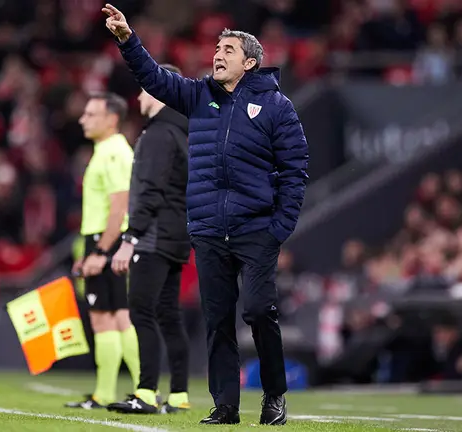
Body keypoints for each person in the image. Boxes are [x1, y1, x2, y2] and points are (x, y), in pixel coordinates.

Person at [102, 4, 309, 426]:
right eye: (217, 48)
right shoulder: (199, 96)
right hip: (210, 229)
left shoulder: (276, 106)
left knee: (258, 310)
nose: (218, 54)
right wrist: (128, 40)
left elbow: (295, 170)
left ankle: (274, 394)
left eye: (228, 50)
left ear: (249, 63)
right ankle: (226, 405)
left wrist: (279, 227)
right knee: (218, 320)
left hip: (256, 229)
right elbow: (154, 78)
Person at [106, 64, 192, 415]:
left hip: (153, 237)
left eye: (145, 88)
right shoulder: (181, 132)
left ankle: (145, 392)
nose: (140, 95)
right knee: (168, 314)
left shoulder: (158, 134)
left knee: (142, 311)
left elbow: (150, 192)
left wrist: (130, 239)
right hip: (176, 235)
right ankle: (179, 395)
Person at [66, 92, 141, 409]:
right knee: (115, 316)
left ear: (111, 119)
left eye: (90, 114)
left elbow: (119, 206)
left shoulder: (112, 153)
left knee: (108, 318)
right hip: (104, 239)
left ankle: (127, 391)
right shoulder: (109, 150)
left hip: (107, 239)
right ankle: (135, 391)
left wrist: (99, 251)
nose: (83, 119)